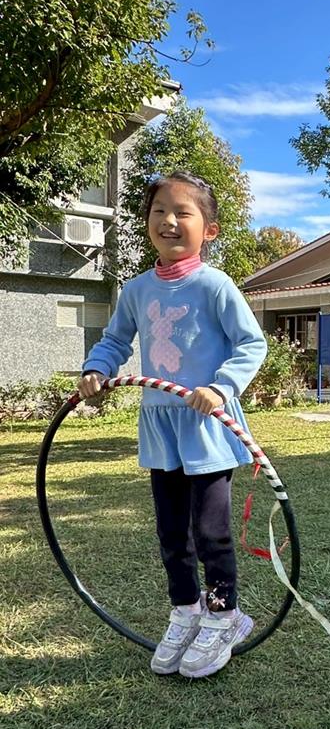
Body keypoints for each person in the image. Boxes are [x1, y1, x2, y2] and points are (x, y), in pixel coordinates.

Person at [78, 171, 267, 678]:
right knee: (170, 532)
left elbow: (252, 343)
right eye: (159, 210)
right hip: (161, 427)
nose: (169, 220)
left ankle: (224, 615)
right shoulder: (137, 290)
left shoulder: (214, 285)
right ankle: (186, 611)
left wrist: (221, 386)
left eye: (183, 212)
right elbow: (115, 340)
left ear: (210, 229)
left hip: (206, 424)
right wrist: (97, 368)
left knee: (210, 532)